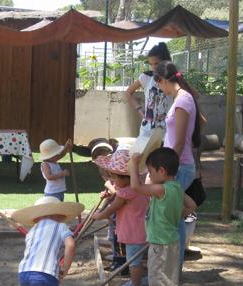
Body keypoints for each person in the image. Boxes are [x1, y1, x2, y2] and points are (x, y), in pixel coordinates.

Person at [153, 60, 201, 266]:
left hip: (179, 166)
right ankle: (172, 266)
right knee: (174, 216)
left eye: (159, 85)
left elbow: (180, 141)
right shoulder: (182, 99)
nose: (160, 89)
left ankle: (173, 267)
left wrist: (169, 171)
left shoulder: (182, 100)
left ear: (164, 80)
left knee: (173, 217)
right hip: (178, 165)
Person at [92, 148, 149, 286]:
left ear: (124, 177)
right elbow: (119, 196)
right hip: (144, 230)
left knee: (133, 262)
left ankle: (136, 284)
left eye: (113, 177)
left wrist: (98, 215)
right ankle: (142, 280)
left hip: (133, 233)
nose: (111, 180)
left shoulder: (125, 194)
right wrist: (111, 194)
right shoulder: (136, 187)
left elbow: (112, 208)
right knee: (139, 259)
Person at [130, 147, 184, 286]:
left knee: (157, 279)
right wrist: (173, 215)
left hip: (160, 244)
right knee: (169, 279)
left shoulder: (161, 189)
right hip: (173, 241)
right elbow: (191, 205)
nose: (150, 175)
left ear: (162, 171)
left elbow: (136, 187)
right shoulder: (177, 188)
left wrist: (134, 164)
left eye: (150, 172)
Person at [11, 196, 84, 286]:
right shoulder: (61, 226)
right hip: (45, 274)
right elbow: (70, 245)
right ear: (58, 215)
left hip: (24, 272)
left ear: (37, 218)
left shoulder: (32, 231)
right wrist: (65, 267)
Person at [125, 42, 173, 136]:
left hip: (167, 131)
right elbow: (128, 92)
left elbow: (192, 95)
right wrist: (139, 110)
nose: (153, 67)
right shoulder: (146, 77)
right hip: (147, 130)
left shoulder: (173, 78)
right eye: (151, 64)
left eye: (156, 63)